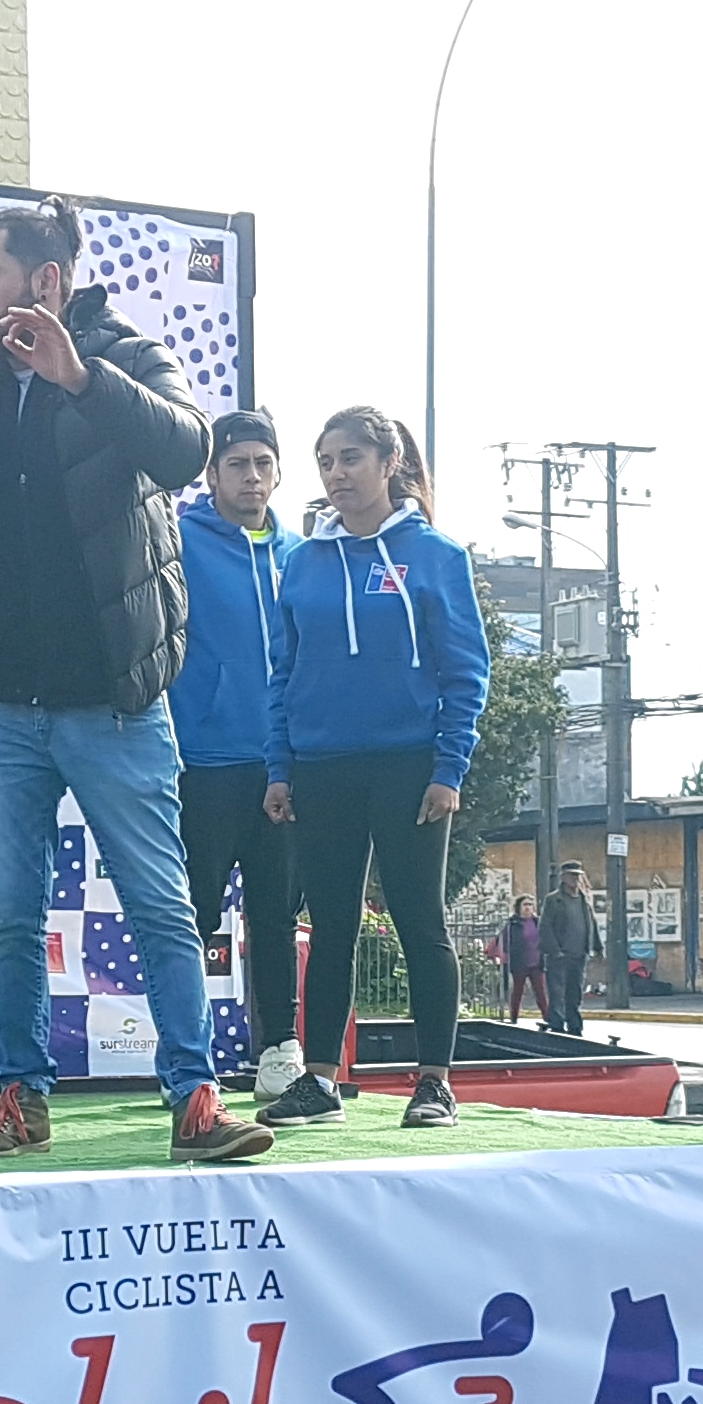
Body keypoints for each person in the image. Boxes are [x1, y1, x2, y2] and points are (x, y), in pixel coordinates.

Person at [0, 196, 271, 1164]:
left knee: (160, 904)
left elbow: (186, 449)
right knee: (9, 913)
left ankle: (194, 1098)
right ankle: (21, 1099)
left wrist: (79, 377)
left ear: (45, 281)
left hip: (113, 698)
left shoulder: (126, 355)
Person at [255, 407, 492, 1130]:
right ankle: (321, 1081)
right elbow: (282, 673)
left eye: (352, 458)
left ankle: (434, 1083)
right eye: (326, 461)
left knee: (420, 920)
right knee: (331, 926)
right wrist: (279, 768)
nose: (337, 474)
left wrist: (449, 768)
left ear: (390, 464)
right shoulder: (303, 561)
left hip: (409, 765)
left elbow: (466, 671)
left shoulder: (436, 556)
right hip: (321, 766)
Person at [175, 408, 304, 1097]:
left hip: (281, 764)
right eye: (236, 464)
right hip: (203, 760)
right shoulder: (178, 541)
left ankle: (279, 1049)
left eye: (262, 463)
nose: (251, 477)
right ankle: (184, 1055)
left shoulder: (301, 553)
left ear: (277, 471)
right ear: (212, 473)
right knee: (190, 914)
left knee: (276, 917)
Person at [541, 861, 598, 1038]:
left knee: (575, 993)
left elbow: (591, 923)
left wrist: (597, 946)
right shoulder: (553, 900)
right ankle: (557, 1026)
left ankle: (575, 1026)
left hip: (579, 954)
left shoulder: (584, 899)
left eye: (578, 875)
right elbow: (545, 927)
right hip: (560, 955)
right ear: (563, 877)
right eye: (572, 875)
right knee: (558, 993)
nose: (575, 879)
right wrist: (555, 950)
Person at [501, 895, 548, 1020]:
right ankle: (514, 1017)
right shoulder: (513, 923)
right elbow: (505, 942)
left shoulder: (538, 922)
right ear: (519, 907)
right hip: (520, 962)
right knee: (517, 991)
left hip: (537, 962)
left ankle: (547, 1017)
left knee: (540, 992)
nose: (527, 908)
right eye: (525, 905)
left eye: (530, 905)